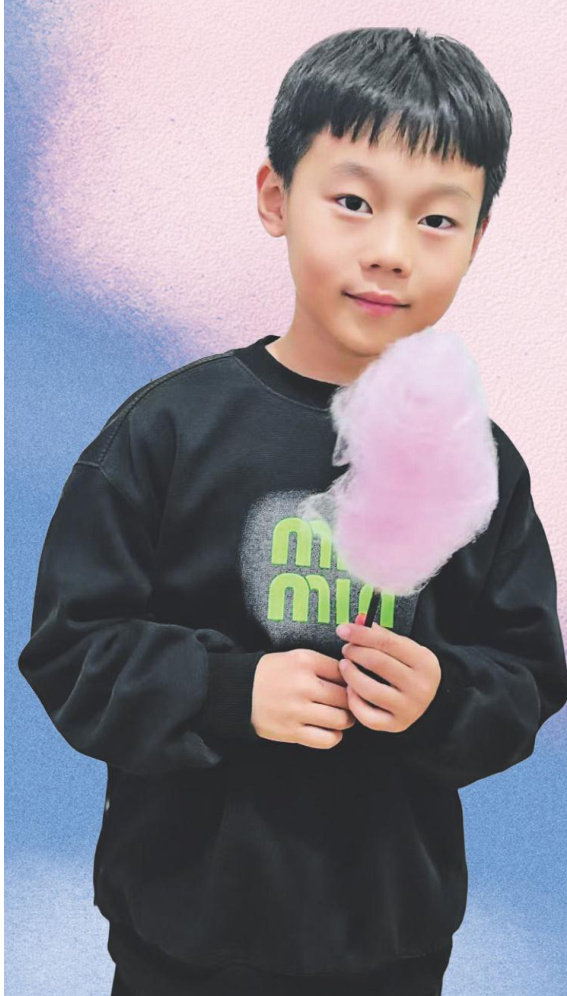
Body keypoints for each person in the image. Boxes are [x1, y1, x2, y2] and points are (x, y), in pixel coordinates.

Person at [18, 26, 567, 996]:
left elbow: (527, 675)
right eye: (353, 202)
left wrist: (441, 696)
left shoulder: (480, 461)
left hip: (388, 945)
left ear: (479, 238)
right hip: (180, 943)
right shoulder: (166, 430)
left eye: (438, 219)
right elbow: (72, 653)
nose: (390, 251)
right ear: (276, 198)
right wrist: (230, 694)